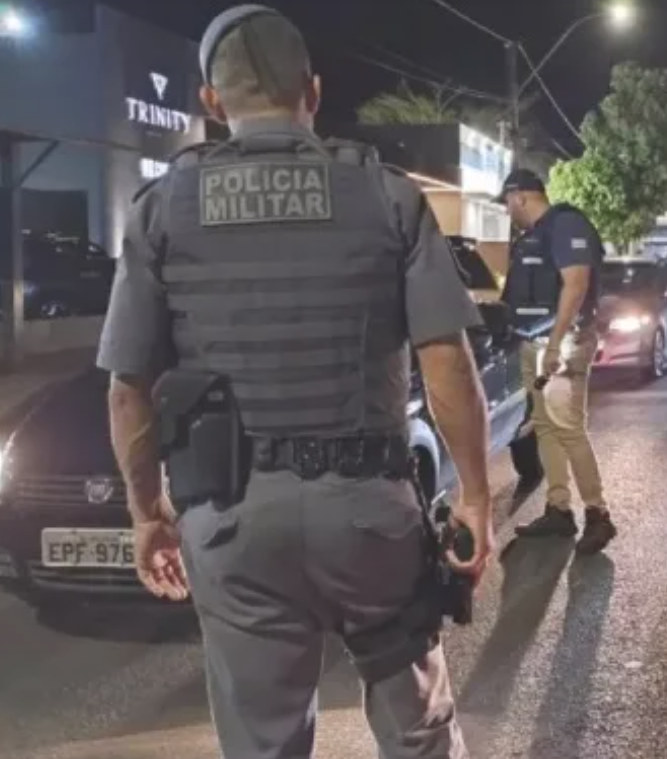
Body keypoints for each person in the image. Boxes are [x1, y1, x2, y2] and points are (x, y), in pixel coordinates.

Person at [96, 6, 495, 758]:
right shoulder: (387, 196)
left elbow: (128, 387)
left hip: (233, 524)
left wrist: (147, 512)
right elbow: (446, 357)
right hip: (370, 520)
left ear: (212, 102)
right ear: (312, 90)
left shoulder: (163, 209)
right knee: (420, 735)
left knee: (264, 744)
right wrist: (475, 494)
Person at [496, 169, 616, 554]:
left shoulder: (566, 224)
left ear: (520, 196)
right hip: (534, 343)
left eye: (507, 201)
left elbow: (576, 284)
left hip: (562, 343)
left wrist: (553, 345)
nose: (507, 209)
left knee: (567, 427)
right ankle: (558, 510)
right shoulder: (534, 235)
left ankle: (598, 515)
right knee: (545, 427)